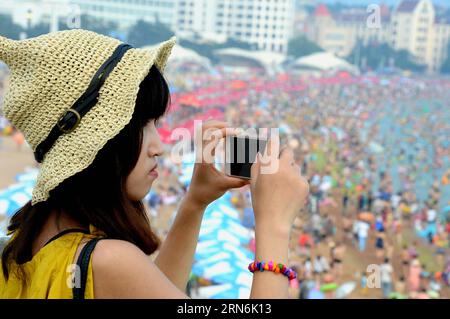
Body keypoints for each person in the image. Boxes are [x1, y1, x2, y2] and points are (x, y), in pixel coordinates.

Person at [0, 30, 310, 298]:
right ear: (100, 140)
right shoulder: (107, 261)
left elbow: (153, 289)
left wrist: (195, 203)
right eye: (142, 126)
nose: (159, 146)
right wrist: (274, 226)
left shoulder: (23, 246)